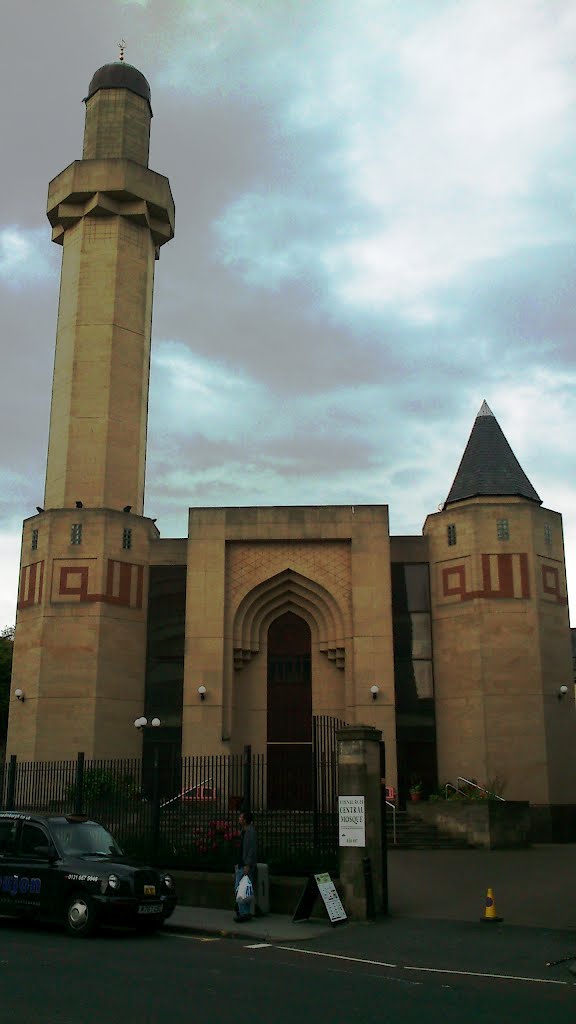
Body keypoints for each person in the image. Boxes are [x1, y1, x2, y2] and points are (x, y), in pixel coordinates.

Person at [234, 810, 257, 923]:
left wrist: (247, 864)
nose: (239, 819)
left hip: (245, 865)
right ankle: (244, 911)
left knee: (240, 889)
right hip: (242, 864)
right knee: (244, 889)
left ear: (245, 820)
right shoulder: (244, 831)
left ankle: (243, 913)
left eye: (241, 817)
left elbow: (251, 849)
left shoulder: (250, 832)